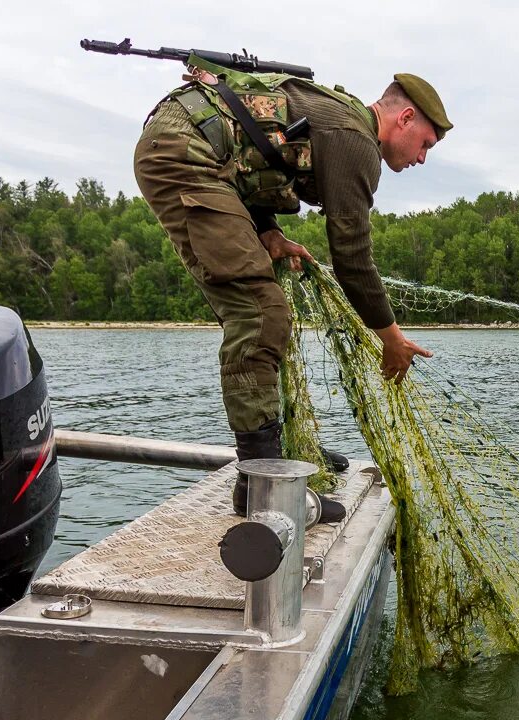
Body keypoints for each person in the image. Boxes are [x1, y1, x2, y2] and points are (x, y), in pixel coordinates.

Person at [134, 59, 452, 522]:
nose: (422, 157)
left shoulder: (340, 124)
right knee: (261, 313)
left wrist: (266, 231)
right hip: (183, 152)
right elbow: (352, 257)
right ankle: (262, 488)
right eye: (425, 143)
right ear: (404, 118)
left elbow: (249, 147)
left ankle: (274, 457)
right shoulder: (355, 141)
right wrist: (392, 339)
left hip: (198, 150)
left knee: (267, 310)